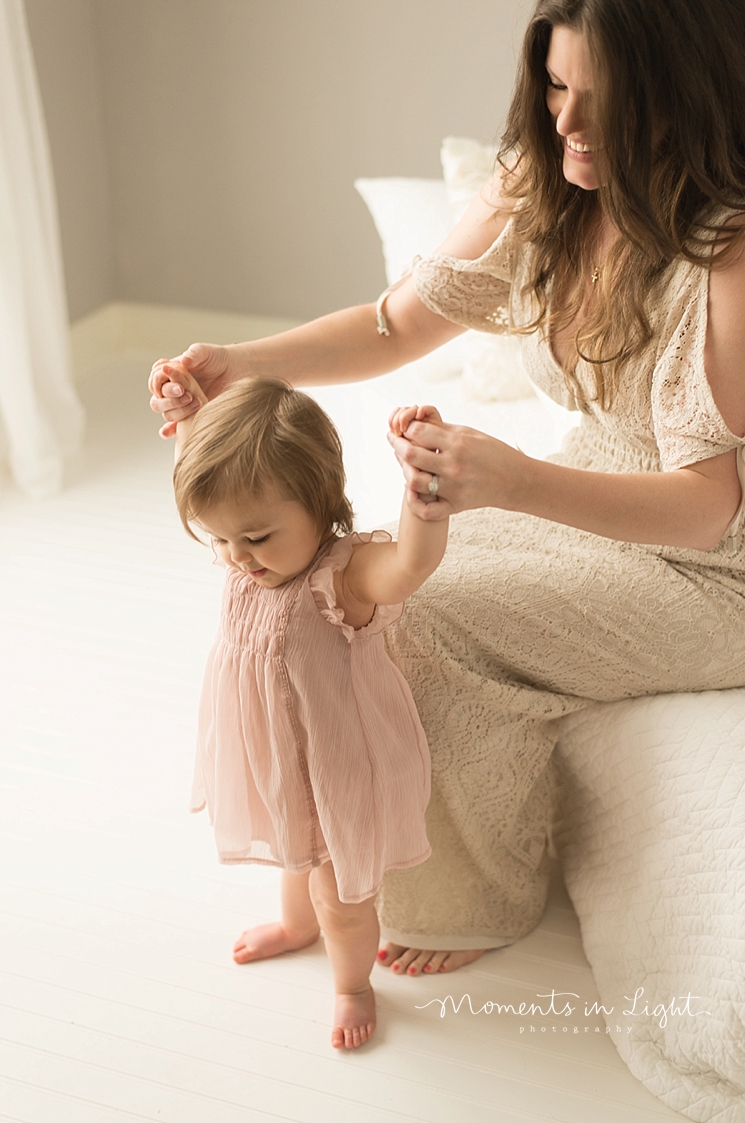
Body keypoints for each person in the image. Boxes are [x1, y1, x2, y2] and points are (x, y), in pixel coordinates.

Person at [150, 0, 745, 978]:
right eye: (556, 86)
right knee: (361, 576)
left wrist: (509, 481)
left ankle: (478, 897)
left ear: (685, 94)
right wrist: (238, 365)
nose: (569, 125)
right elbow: (394, 327)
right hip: (603, 474)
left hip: (721, 565)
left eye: (607, 99)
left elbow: (708, 504)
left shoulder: (730, 245)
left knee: (434, 614)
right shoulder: (544, 182)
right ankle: (341, 842)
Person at [167, 373, 448, 1048]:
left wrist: (424, 494)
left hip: (337, 760)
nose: (238, 557)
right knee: (295, 853)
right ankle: (297, 928)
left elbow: (410, 566)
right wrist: (189, 421)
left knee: (340, 894)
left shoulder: (342, 575)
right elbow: (212, 480)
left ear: (320, 503)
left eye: (257, 537)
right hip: (272, 748)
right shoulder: (247, 548)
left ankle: (353, 981)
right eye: (222, 539)